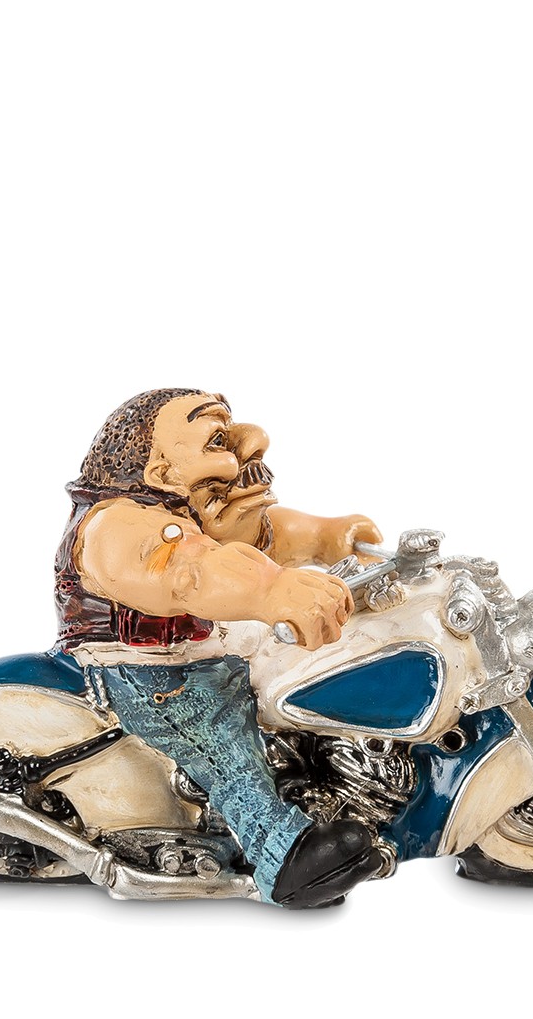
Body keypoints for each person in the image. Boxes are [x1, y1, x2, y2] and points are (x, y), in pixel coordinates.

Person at [54, 388, 385, 907]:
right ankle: (282, 856)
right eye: (217, 439)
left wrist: (327, 537)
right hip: (146, 672)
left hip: (206, 651)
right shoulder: (115, 526)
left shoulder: (192, 508)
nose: (252, 442)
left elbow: (262, 536)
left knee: (310, 672)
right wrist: (272, 589)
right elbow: (191, 570)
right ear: (161, 470)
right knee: (222, 735)